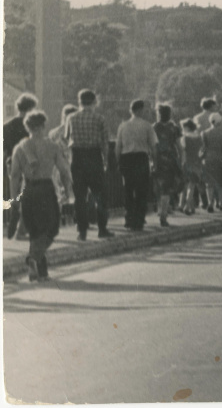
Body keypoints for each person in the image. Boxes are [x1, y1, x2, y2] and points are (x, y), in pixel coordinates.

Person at [9, 110, 73, 282]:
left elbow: (14, 176)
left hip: (28, 190)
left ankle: (39, 272)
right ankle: (33, 260)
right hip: (46, 188)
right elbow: (64, 171)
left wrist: (14, 198)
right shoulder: (52, 146)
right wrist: (68, 191)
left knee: (36, 231)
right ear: (43, 126)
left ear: (27, 127)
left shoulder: (19, 148)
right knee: (51, 229)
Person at [64, 89, 114, 241]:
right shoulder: (100, 119)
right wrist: (105, 160)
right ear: (94, 102)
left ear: (79, 102)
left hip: (77, 157)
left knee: (80, 196)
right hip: (94, 156)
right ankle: (102, 229)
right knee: (100, 195)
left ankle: (82, 231)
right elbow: (105, 142)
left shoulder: (71, 118)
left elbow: (67, 138)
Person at [116, 99, 158, 232]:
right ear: (141, 110)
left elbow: (118, 147)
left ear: (131, 110)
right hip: (141, 158)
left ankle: (129, 218)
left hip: (126, 158)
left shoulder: (123, 126)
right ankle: (139, 220)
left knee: (128, 189)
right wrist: (154, 162)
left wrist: (119, 162)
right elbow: (153, 146)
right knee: (141, 190)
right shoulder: (147, 126)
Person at [4, 92, 38, 240]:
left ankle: (12, 219)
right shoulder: (31, 125)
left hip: (11, 162)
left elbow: (4, 149)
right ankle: (21, 228)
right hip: (27, 164)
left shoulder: (7, 125)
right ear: (30, 108)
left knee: (14, 194)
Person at [152, 104, 183, 227]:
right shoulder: (174, 128)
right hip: (170, 159)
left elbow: (152, 146)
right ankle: (164, 214)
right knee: (167, 188)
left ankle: (160, 209)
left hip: (157, 159)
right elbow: (179, 146)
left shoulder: (154, 127)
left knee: (158, 186)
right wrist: (181, 160)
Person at [201, 113, 222, 211]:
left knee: (209, 182)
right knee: (221, 180)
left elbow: (203, 148)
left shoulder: (205, 133)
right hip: (221, 157)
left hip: (208, 158)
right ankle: (220, 202)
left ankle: (210, 203)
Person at [179, 119, 204, 214]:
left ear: (187, 128)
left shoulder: (184, 138)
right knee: (192, 185)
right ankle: (190, 206)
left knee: (186, 184)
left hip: (186, 162)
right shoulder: (199, 137)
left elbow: (183, 151)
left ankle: (186, 205)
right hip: (197, 162)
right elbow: (201, 150)